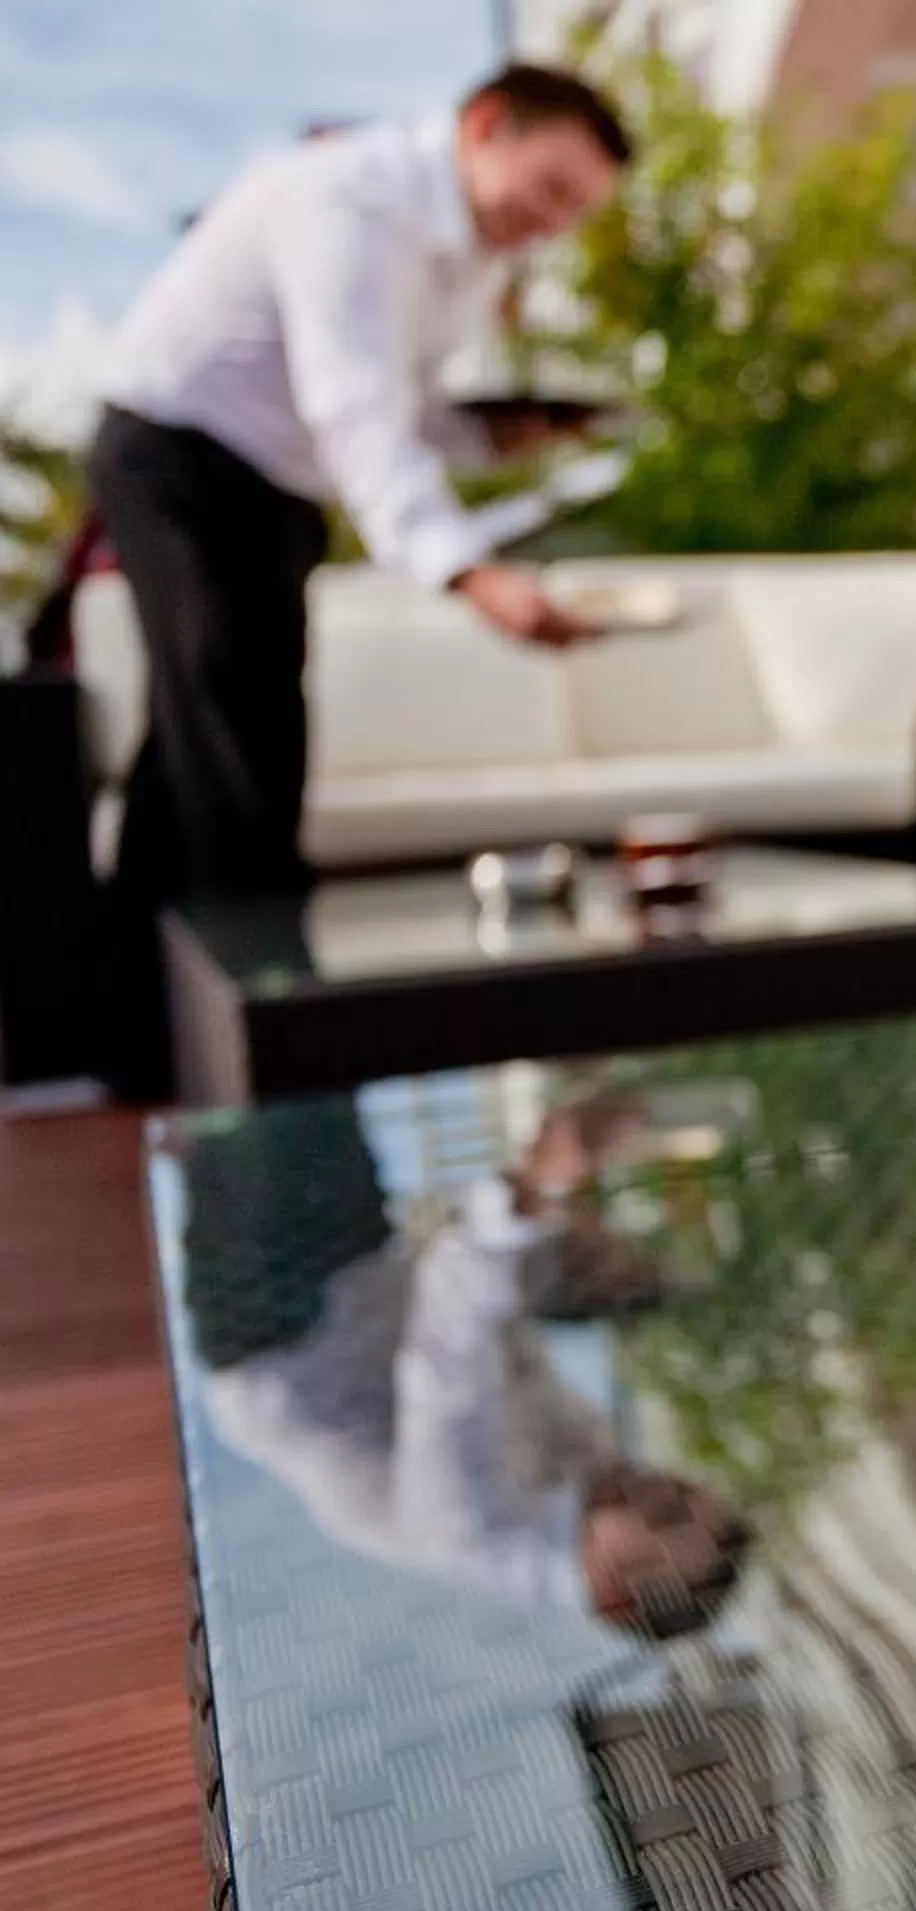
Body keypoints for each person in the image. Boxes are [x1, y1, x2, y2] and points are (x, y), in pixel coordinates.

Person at [88, 63, 634, 1097]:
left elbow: (407, 408)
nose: (553, 221)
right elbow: (352, 410)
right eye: (553, 188)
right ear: (485, 127)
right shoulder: (347, 198)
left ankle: (128, 1048)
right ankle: (271, 1051)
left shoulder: (466, 258)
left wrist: (488, 433)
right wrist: (471, 575)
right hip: (183, 456)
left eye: (576, 210)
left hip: (274, 484)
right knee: (247, 748)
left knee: (189, 755)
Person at [184, 1094, 750, 1639]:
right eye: (682, 1488)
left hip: (283, 1327)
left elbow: (446, 1360)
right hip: (361, 1269)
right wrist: (558, 1220)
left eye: (665, 1518)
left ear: (614, 1594)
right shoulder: (596, 1471)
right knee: (292, 1049)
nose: (658, 1486)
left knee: (248, 1065)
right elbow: (505, 1335)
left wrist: (534, 1188)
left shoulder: (476, 1530)